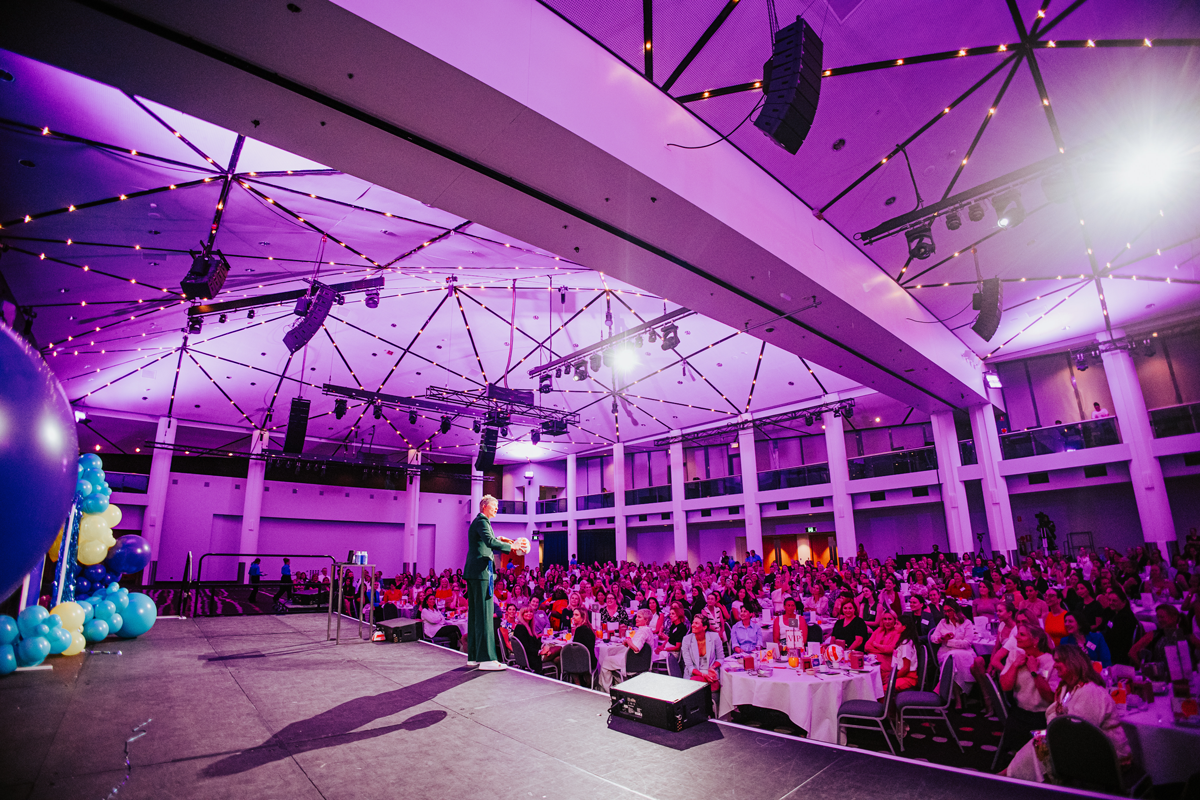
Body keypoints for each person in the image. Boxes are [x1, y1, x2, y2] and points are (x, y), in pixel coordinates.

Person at [1004, 645, 1131, 782]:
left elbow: (1079, 732)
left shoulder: (1090, 692)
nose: (1055, 665)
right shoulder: (1066, 688)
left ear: (1072, 663)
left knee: (1039, 747)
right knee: (1037, 743)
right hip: (1079, 744)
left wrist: (1055, 731)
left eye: (1058, 661)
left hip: (1105, 757)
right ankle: (1013, 777)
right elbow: (1060, 718)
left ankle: (1011, 779)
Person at [465, 495, 524, 671]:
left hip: (475, 571)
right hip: (481, 572)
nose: (497, 508)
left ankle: (474, 656)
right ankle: (487, 658)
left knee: (476, 616)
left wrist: (503, 539)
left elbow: (488, 539)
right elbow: (489, 541)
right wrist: (512, 547)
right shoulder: (482, 521)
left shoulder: (480, 521)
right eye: (495, 505)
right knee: (485, 615)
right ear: (484, 506)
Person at [999, 623, 1057, 757]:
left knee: (1039, 757)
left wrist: (1034, 672)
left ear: (1035, 640)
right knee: (1015, 751)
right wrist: (1014, 666)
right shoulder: (1015, 655)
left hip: (1042, 717)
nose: (1016, 637)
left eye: (1022, 635)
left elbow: (1050, 698)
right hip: (1019, 713)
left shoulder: (1051, 662)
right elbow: (1005, 686)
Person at [1129, 603, 1200, 669]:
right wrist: (1145, 669)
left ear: (1174, 617)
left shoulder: (1186, 635)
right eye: (1158, 617)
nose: (1159, 620)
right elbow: (1132, 652)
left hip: (1187, 675)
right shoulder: (1153, 635)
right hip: (1160, 678)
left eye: (1162, 617)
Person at [930, 601, 977, 699]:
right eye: (945, 611)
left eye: (949, 611)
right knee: (952, 657)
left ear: (955, 610)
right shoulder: (942, 622)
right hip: (945, 652)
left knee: (953, 657)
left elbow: (967, 643)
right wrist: (941, 638)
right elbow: (933, 637)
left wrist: (949, 642)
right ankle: (960, 697)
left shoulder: (966, 623)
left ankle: (948, 694)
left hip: (965, 652)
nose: (947, 614)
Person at [682, 614, 723, 694]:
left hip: (710, 671)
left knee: (716, 685)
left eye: (696, 623)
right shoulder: (686, 639)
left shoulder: (714, 637)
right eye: (693, 623)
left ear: (704, 627)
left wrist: (712, 667)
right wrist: (703, 675)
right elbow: (689, 667)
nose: (693, 625)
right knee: (699, 686)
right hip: (693, 673)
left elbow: (720, 658)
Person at [865, 609, 903, 687]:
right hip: (873, 662)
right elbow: (867, 646)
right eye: (884, 619)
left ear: (894, 620)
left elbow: (890, 649)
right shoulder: (878, 630)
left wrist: (876, 645)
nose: (887, 622)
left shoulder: (897, 632)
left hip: (887, 664)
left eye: (890, 619)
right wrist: (882, 651)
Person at [892, 624, 920, 692]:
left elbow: (905, 668)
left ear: (904, 627)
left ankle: (886, 702)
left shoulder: (906, 644)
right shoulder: (903, 641)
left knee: (883, 690)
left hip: (908, 677)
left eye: (897, 624)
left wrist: (892, 678)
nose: (894, 626)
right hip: (901, 674)